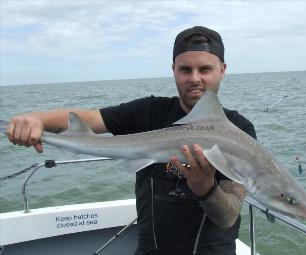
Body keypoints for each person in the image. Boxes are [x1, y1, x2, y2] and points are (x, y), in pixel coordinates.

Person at [6, 26, 256, 255]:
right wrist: (36, 119)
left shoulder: (239, 131)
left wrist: (205, 188)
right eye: (185, 69)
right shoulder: (149, 111)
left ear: (222, 70)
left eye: (204, 69)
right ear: (173, 70)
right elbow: (90, 118)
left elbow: (229, 215)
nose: (194, 78)